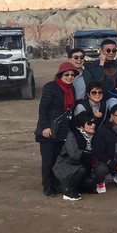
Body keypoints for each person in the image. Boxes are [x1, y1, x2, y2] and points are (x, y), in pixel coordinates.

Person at [35, 62, 78, 197]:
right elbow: (43, 109)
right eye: (67, 75)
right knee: (48, 160)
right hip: (49, 129)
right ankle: (47, 186)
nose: (70, 77)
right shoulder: (50, 87)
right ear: (60, 75)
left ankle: (55, 184)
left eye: (72, 75)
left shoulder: (72, 89)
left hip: (62, 129)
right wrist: (45, 127)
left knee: (58, 160)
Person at [53, 112, 103, 201]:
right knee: (81, 171)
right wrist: (90, 156)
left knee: (90, 182)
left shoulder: (93, 135)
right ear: (81, 125)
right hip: (67, 165)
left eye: (94, 123)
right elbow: (74, 154)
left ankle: (75, 187)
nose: (93, 125)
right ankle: (69, 191)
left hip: (83, 165)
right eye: (89, 123)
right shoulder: (72, 135)